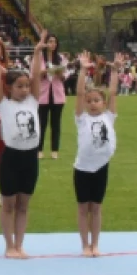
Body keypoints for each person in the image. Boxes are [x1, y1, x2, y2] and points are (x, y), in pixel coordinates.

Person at [0, 30, 47, 259]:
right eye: (19, 86)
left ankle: (20, 244)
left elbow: (35, 75)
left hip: (30, 158)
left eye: (26, 86)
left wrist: (37, 51)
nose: (24, 90)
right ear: (9, 88)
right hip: (11, 158)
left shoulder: (33, 101)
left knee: (23, 205)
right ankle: (9, 245)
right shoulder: (3, 104)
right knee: (9, 205)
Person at [72, 52, 122, 257]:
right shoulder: (81, 119)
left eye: (97, 100)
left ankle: (96, 244)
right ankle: (85, 244)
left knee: (97, 207)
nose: (93, 103)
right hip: (83, 169)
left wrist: (115, 71)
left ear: (103, 103)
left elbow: (113, 92)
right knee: (84, 208)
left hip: (101, 167)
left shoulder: (109, 117)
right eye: (89, 100)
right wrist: (83, 70)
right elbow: (79, 93)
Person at [36, 38, 68, 160]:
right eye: (50, 41)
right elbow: (34, 74)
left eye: (54, 42)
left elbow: (65, 76)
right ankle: (39, 150)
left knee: (56, 124)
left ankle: (55, 150)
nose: (52, 44)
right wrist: (46, 71)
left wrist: (59, 73)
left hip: (57, 95)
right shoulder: (39, 57)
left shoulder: (60, 58)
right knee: (41, 123)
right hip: (42, 94)